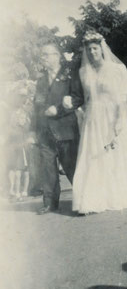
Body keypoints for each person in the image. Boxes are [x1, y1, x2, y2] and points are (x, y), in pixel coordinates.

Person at [64, 31, 127, 215]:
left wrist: (118, 121)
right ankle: (92, 199)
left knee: (113, 156)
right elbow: (85, 98)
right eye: (89, 49)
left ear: (102, 49)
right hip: (93, 118)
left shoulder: (117, 70)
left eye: (95, 48)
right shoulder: (83, 72)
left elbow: (123, 98)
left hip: (113, 116)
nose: (92, 52)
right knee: (92, 155)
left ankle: (116, 195)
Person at [30, 41, 82, 215]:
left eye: (46, 54)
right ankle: (50, 203)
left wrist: (58, 109)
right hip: (45, 132)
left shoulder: (70, 75)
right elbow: (36, 107)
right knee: (48, 169)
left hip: (66, 130)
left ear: (57, 56)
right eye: (42, 55)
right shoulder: (41, 80)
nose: (43, 58)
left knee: (71, 167)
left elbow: (77, 98)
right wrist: (32, 131)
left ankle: (83, 200)